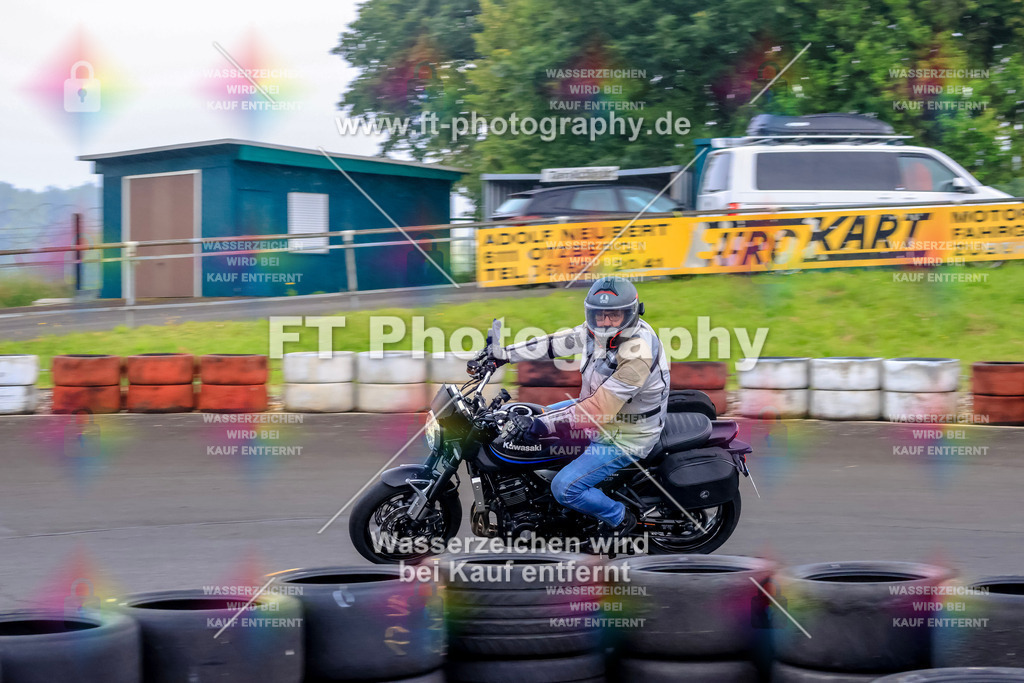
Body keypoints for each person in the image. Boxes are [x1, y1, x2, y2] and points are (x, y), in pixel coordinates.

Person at [486, 276, 670, 535]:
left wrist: (541, 425)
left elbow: (597, 412)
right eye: (598, 315)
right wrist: (503, 355)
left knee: (564, 487)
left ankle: (620, 518)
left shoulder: (638, 353)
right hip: (601, 412)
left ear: (630, 314)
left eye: (613, 316)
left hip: (624, 434)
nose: (605, 322)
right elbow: (555, 343)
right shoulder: (595, 331)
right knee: (527, 414)